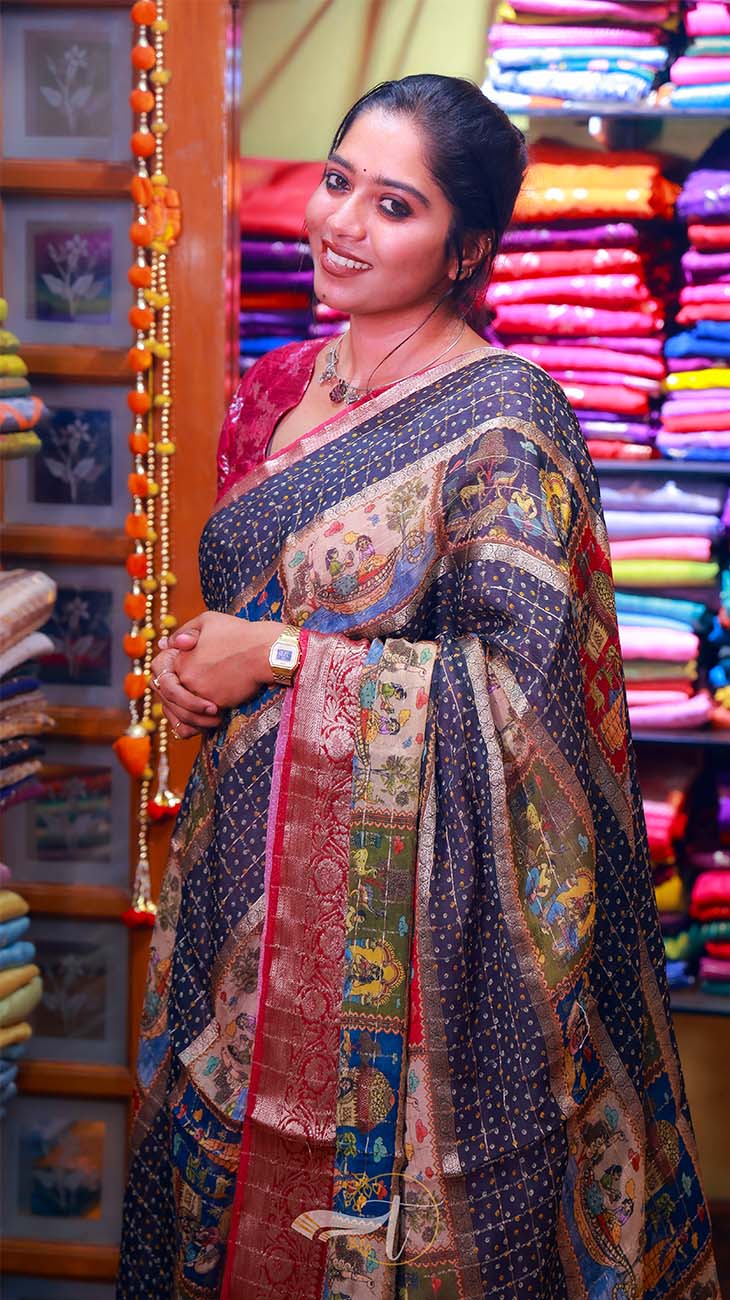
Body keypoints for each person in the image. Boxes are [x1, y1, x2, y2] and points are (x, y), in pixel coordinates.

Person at [117, 75, 719, 1300]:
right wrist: (199, 668)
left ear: (468, 249)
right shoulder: (273, 390)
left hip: (428, 959)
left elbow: (523, 705)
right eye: (338, 183)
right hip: (246, 901)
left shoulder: (507, 420)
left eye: (393, 205)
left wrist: (279, 660)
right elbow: (259, 599)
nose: (341, 222)